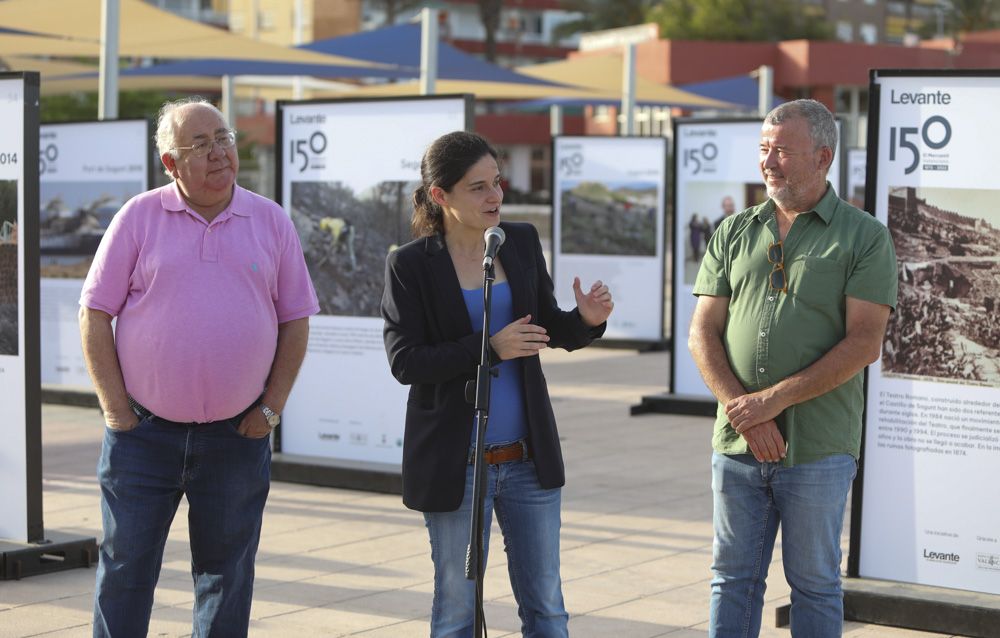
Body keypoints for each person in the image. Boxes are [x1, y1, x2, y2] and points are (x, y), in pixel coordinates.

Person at [79, 97, 319, 637]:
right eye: (201, 144)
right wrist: (117, 411)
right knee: (125, 570)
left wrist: (271, 410)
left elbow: (296, 321)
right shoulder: (139, 217)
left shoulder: (270, 219)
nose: (219, 153)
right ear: (170, 163)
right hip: (143, 436)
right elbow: (94, 313)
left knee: (226, 576)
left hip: (237, 436)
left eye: (224, 138)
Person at [381, 131, 613, 637]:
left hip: (528, 460)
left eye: (497, 183)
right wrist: (488, 348)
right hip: (456, 465)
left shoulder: (521, 241)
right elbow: (406, 362)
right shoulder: (410, 265)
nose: (495, 197)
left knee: (547, 609)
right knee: (456, 614)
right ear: (440, 196)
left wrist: (587, 320)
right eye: (478, 187)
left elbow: (545, 327)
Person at [688, 99, 897, 637]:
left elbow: (865, 343)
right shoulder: (734, 230)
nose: (768, 161)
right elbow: (701, 332)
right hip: (737, 446)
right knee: (732, 580)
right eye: (763, 149)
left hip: (818, 450)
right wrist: (748, 415)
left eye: (782, 150)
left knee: (814, 584)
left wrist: (772, 402)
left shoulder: (864, 236)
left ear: (823, 156)